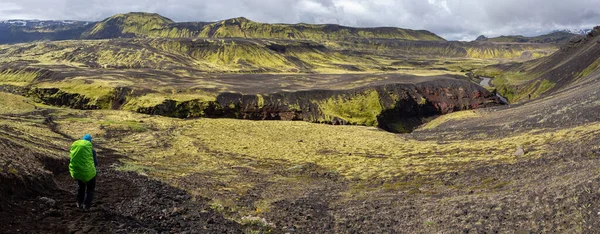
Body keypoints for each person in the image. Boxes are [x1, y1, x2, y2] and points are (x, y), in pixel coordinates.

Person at [69, 134, 98, 211]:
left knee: (81, 188)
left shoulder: (76, 150)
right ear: (90, 142)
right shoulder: (92, 151)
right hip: (90, 174)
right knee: (90, 190)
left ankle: (79, 203)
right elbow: (95, 163)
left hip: (79, 173)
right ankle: (86, 206)